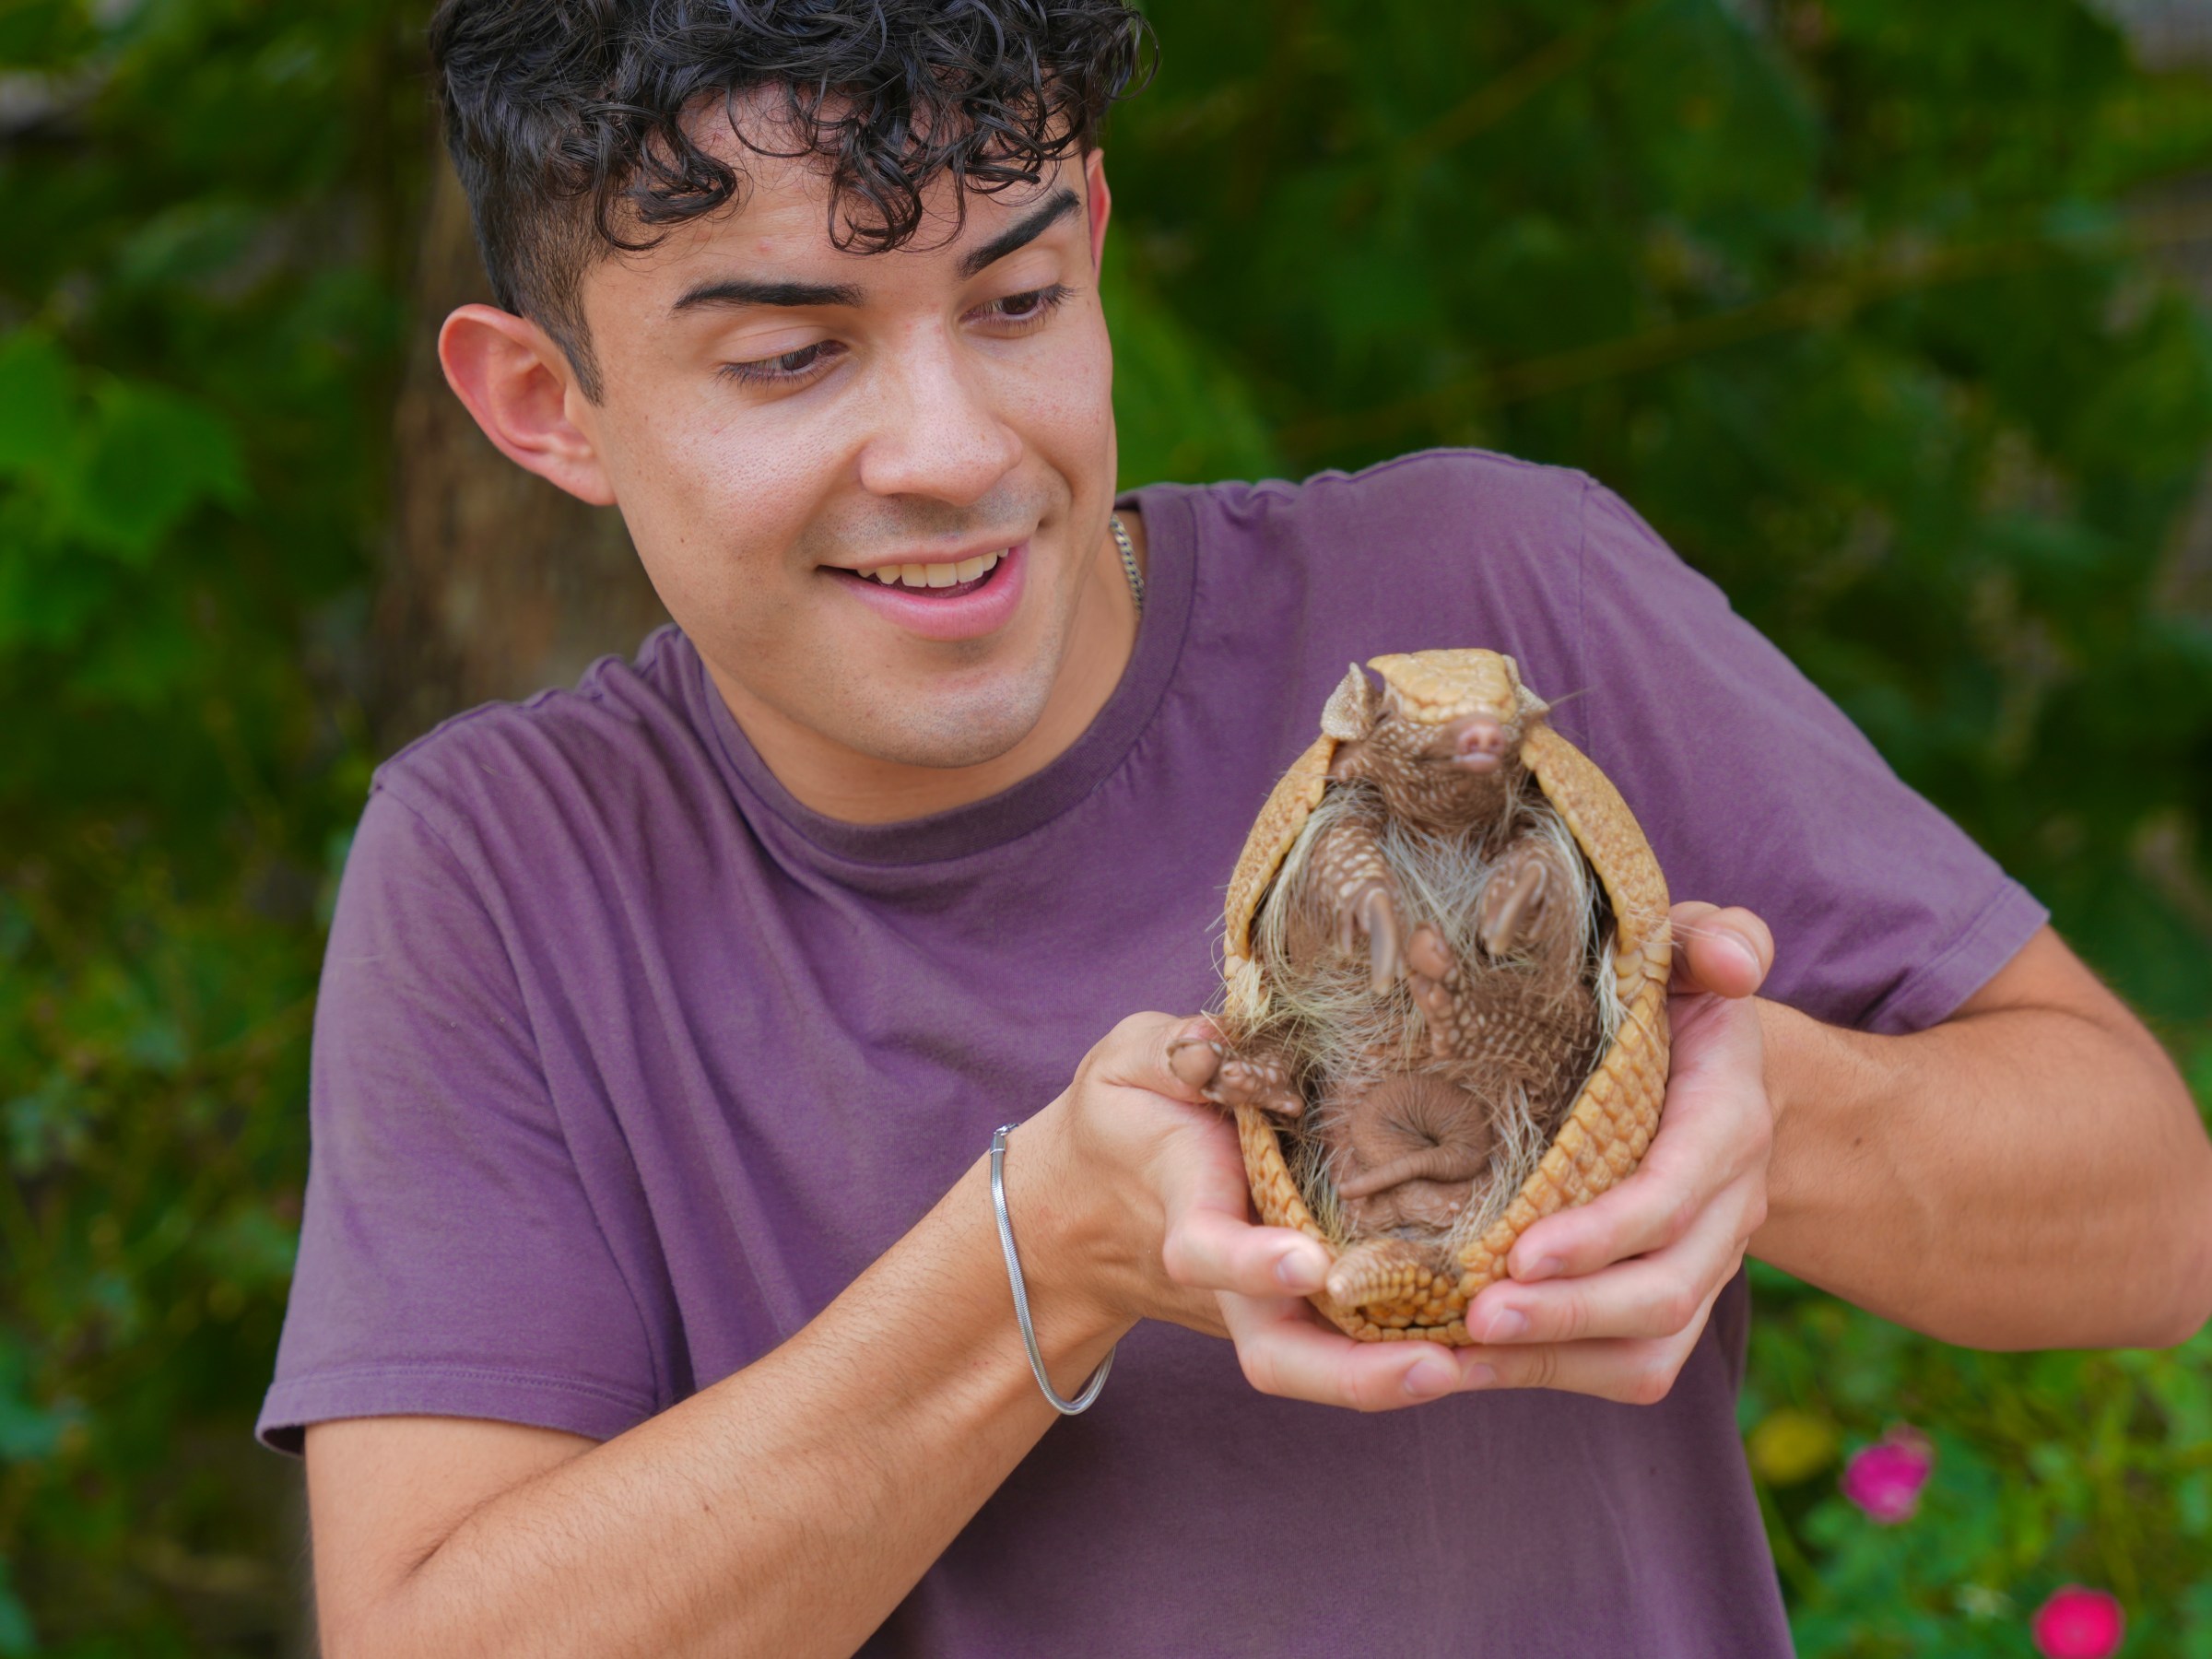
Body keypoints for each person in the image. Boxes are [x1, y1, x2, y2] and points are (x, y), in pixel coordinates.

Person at [257, 4, 2212, 1654]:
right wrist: (1049, 1261)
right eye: (793, 355)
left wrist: (1775, 1118)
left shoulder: (1491, 590)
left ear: (1095, 240)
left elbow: (2158, 1214)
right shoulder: (502, 867)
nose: (952, 451)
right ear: (548, 405)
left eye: (1015, 298)